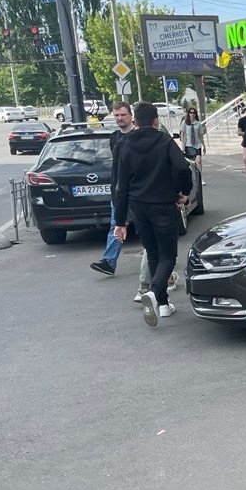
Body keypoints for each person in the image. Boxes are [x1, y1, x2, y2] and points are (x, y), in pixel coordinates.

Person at [113, 102, 193, 327]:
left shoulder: (124, 145)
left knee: (153, 253)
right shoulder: (165, 141)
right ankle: (154, 291)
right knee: (168, 256)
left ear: (135, 121)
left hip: (138, 208)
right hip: (163, 205)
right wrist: (184, 192)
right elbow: (183, 168)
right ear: (156, 120)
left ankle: (164, 305)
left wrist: (120, 221)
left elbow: (121, 187)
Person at [89, 101, 135, 276]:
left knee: (148, 226)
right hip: (119, 190)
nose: (119, 118)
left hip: (138, 190)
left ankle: (162, 260)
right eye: (116, 115)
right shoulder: (114, 137)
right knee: (116, 224)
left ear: (131, 115)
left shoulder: (138, 136)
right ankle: (108, 262)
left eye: (123, 114)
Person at [179, 108, 207, 182]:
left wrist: (204, 146)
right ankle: (191, 177)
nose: (192, 114)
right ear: (188, 114)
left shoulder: (198, 124)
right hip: (188, 144)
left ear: (196, 114)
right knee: (190, 162)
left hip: (197, 144)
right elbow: (182, 135)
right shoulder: (185, 123)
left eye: (194, 113)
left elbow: (200, 135)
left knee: (199, 161)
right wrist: (183, 146)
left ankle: (200, 178)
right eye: (191, 113)